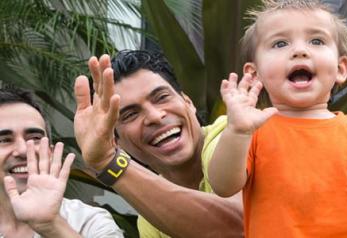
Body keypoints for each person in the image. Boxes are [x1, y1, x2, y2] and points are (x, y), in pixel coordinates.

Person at [207, 0, 347, 237]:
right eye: (280, 43)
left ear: (341, 68)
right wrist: (236, 132)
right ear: (254, 72)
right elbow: (223, 186)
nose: (299, 50)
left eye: (316, 41)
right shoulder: (252, 131)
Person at [73, 50, 243, 238]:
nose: (155, 116)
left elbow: (239, 227)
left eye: (161, 97)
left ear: (188, 101)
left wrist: (108, 162)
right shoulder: (150, 220)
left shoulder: (235, 136)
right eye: (130, 115)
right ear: (116, 142)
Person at [0, 88, 123, 238]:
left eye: (35, 138)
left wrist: (52, 226)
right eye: (4, 140)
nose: (23, 150)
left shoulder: (89, 222)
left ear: (51, 153)